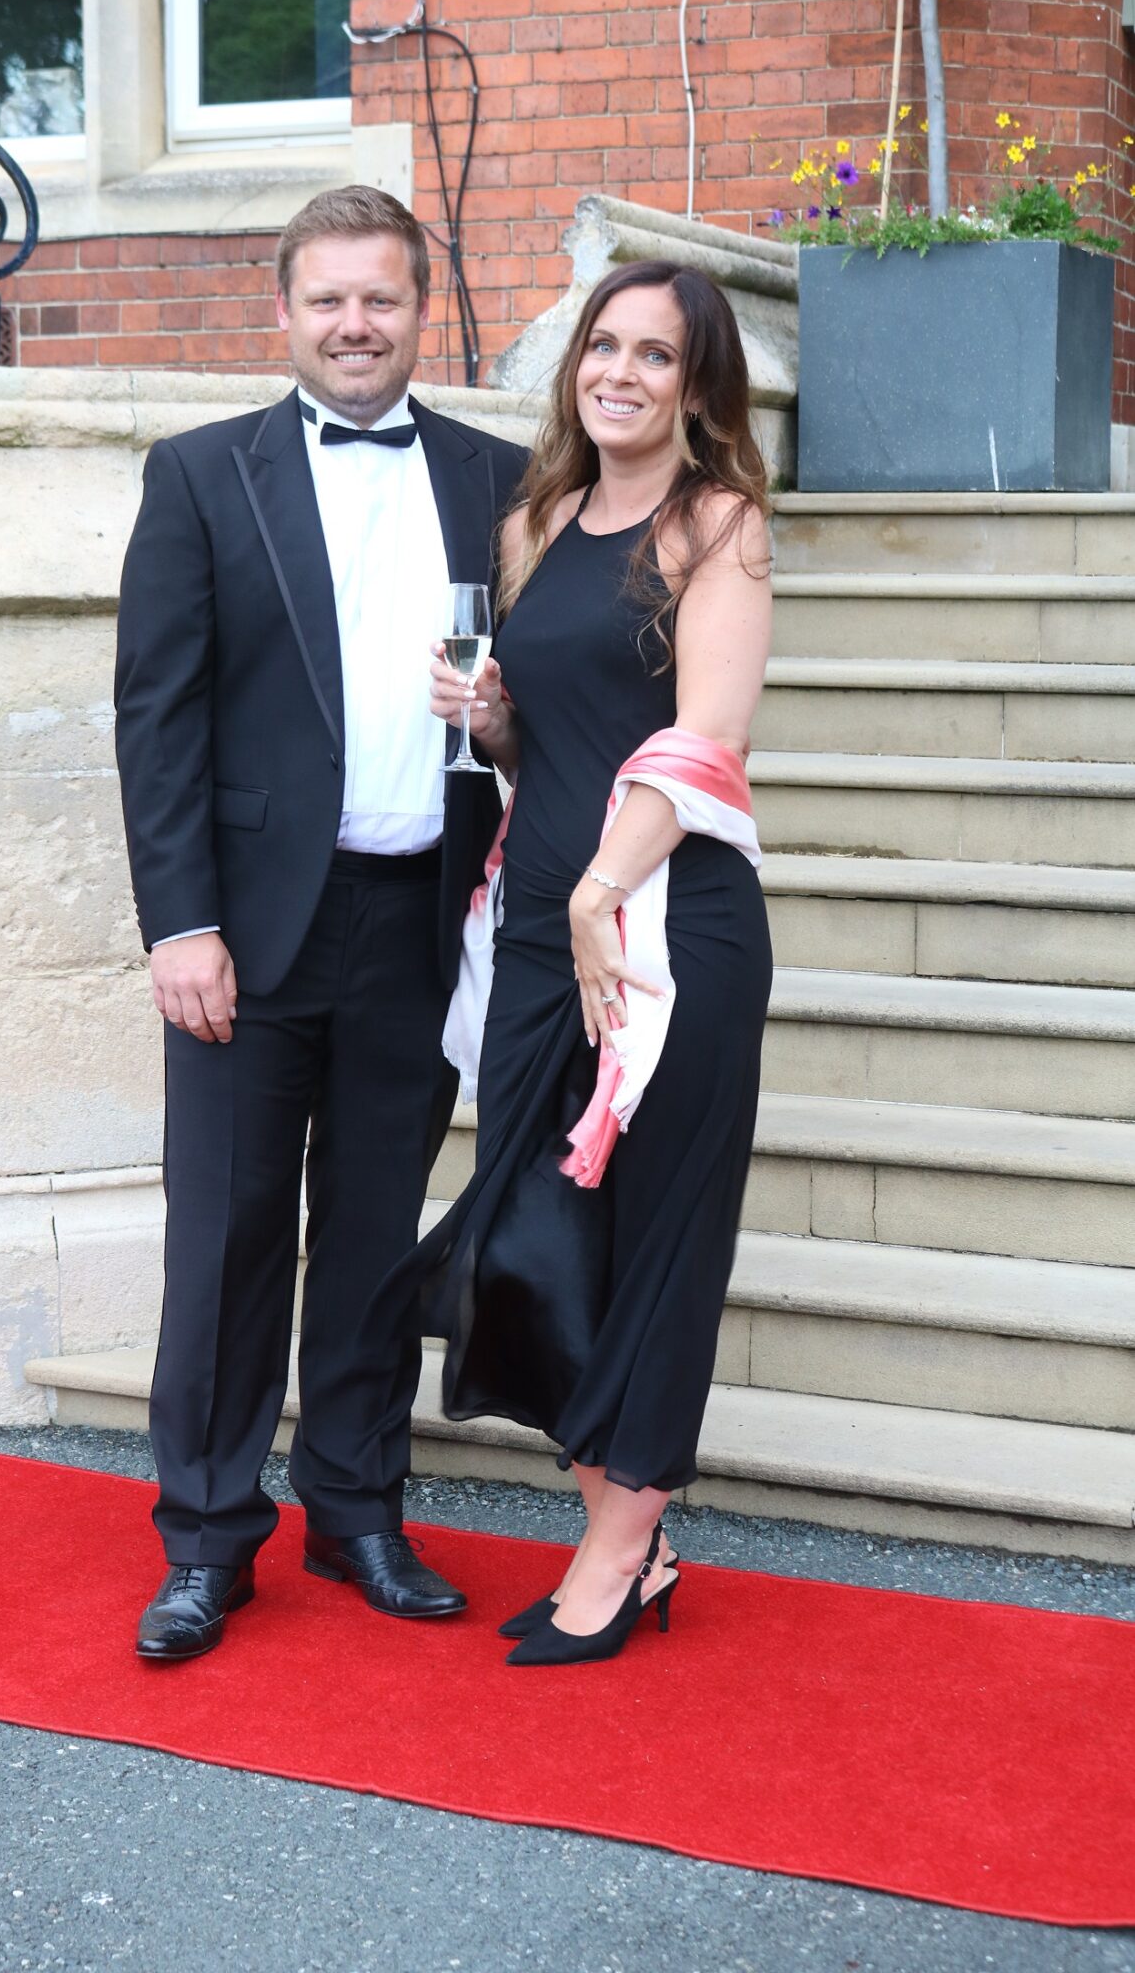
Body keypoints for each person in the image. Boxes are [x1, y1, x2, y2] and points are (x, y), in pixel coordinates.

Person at [114, 185, 527, 1659]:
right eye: (331, 299)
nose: (357, 325)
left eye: (382, 299)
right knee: (227, 1238)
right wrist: (180, 925)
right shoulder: (200, 475)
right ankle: (206, 1538)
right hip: (245, 932)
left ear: (421, 312)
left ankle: (356, 1512)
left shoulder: (499, 479)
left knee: (369, 1235)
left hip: (417, 920)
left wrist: (505, 720)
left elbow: (545, 699)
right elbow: (157, 718)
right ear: (285, 312)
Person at [397, 257, 774, 1666]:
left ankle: (617, 1556)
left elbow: (705, 741)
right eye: (602, 346)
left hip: (667, 928)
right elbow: (544, 748)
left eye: (655, 354)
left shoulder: (717, 525)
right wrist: (494, 718)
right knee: (529, 1235)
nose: (619, 372)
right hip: (544, 926)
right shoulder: (537, 520)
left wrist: (605, 888)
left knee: (654, 1240)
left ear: (697, 385)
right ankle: (630, 1533)